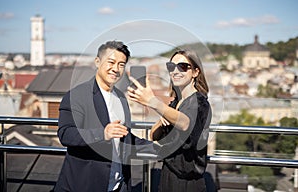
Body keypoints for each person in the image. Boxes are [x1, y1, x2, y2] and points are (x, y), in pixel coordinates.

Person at [54, 41, 157, 192]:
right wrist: (102, 133)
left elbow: (126, 137)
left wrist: (158, 147)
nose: (116, 69)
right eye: (111, 62)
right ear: (97, 61)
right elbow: (66, 134)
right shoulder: (77, 95)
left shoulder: (121, 98)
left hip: (118, 185)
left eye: (121, 64)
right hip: (85, 185)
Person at [128, 49, 212, 192]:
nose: (175, 71)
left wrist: (153, 102)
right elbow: (154, 135)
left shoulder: (199, 102)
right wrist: (163, 119)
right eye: (171, 66)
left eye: (183, 66)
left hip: (187, 183)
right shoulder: (175, 103)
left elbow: (185, 124)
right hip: (168, 174)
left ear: (195, 72)